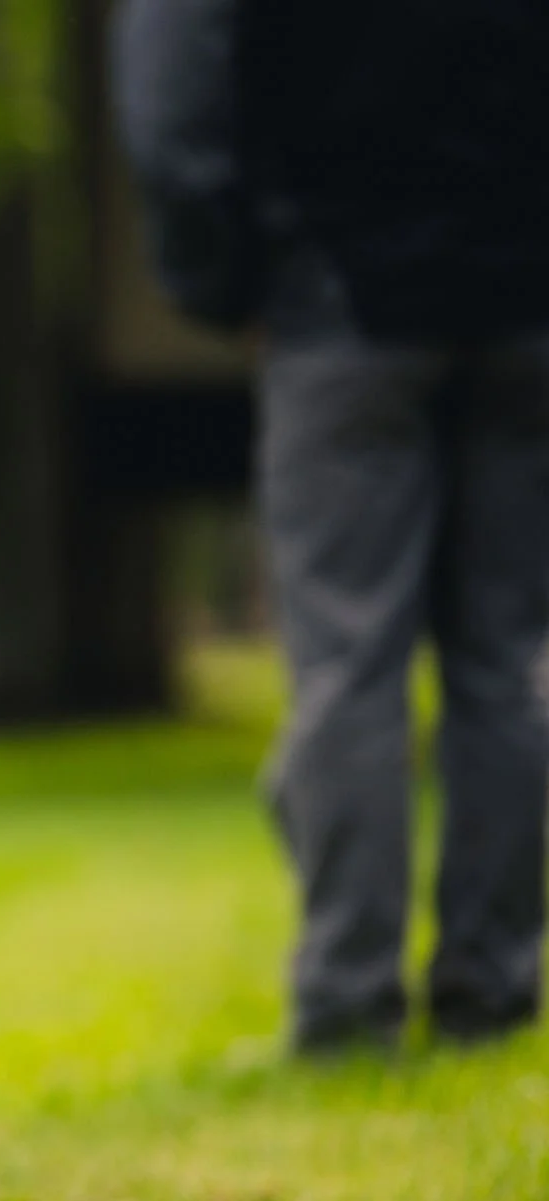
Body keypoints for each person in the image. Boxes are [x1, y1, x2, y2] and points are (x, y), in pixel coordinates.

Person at [115, 1, 549, 1052]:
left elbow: (173, 106)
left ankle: (346, 1003)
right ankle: (488, 994)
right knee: (507, 664)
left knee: (347, 670)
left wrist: (226, 279)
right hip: (523, 303)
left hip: (338, 299)